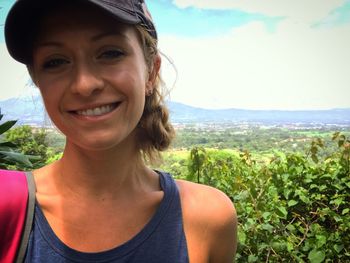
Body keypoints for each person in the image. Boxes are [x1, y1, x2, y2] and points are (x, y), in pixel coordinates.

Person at [4, 0, 237, 262]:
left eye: (110, 53)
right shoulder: (7, 207)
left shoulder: (206, 219)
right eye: (56, 61)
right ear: (39, 81)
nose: (84, 84)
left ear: (151, 71)